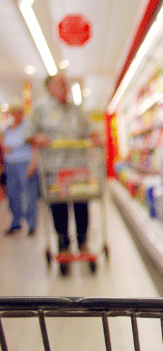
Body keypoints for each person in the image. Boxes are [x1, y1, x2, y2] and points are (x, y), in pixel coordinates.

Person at [26, 74, 100, 255]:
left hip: (78, 168)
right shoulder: (40, 109)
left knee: (81, 205)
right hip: (54, 169)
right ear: (49, 88)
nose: (65, 87)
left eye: (66, 84)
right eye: (60, 85)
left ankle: (83, 243)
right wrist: (37, 138)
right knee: (58, 207)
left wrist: (96, 138)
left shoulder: (77, 110)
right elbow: (28, 135)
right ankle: (63, 245)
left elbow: (90, 130)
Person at [1, 103, 38, 235]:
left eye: (19, 111)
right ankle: (16, 223)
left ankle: (31, 225)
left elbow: (35, 147)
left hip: (25, 163)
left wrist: (33, 165)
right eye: (14, 111)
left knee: (29, 195)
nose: (17, 114)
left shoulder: (28, 128)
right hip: (10, 165)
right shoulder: (7, 129)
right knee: (12, 195)